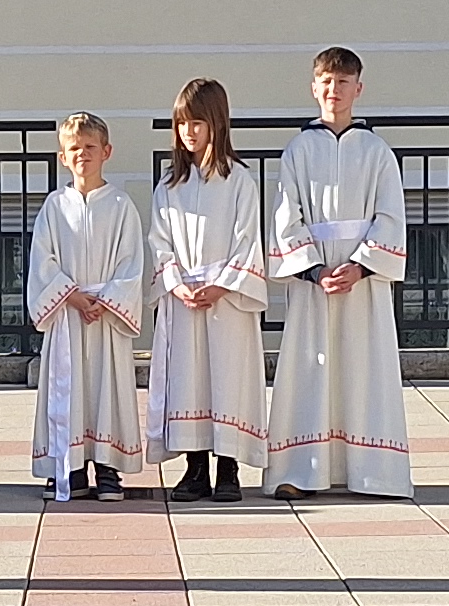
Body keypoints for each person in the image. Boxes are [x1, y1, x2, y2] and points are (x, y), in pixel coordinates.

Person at [264, 48, 412, 500]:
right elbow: (286, 216)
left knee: (364, 371)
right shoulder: (298, 150)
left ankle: (373, 473)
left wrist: (360, 266)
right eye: (327, 81)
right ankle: (301, 471)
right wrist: (314, 270)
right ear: (314, 87)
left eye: (344, 82)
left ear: (358, 89)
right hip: (315, 284)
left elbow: (391, 215)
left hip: (362, 285)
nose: (335, 90)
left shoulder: (376, 151)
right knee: (310, 370)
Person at [148, 76, 268, 503]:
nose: (189, 132)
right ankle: (195, 466)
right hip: (185, 299)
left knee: (227, 379)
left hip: (226, 301)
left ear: (218, 123)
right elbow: (159, 241)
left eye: (197, 122)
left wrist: (222, 285)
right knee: (189, 380)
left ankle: (228, 467)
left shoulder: (239, 182)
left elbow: (248, 240)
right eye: (182, 124)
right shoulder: (170, 186)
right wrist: (176, 283)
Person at [26, 112, 147, 502]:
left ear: (106, 152)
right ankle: (69, 466)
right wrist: (72, 296)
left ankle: (107, 467)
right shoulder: (54, 207)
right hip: (68, 315)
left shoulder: (121, 205)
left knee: (106, 390)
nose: (83, 154)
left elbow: (131, 261)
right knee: (69, 389)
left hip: (106, 319)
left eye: (90, 147)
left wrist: (107, 300)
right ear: (63, 157)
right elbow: (42, 261)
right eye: (74, 148)